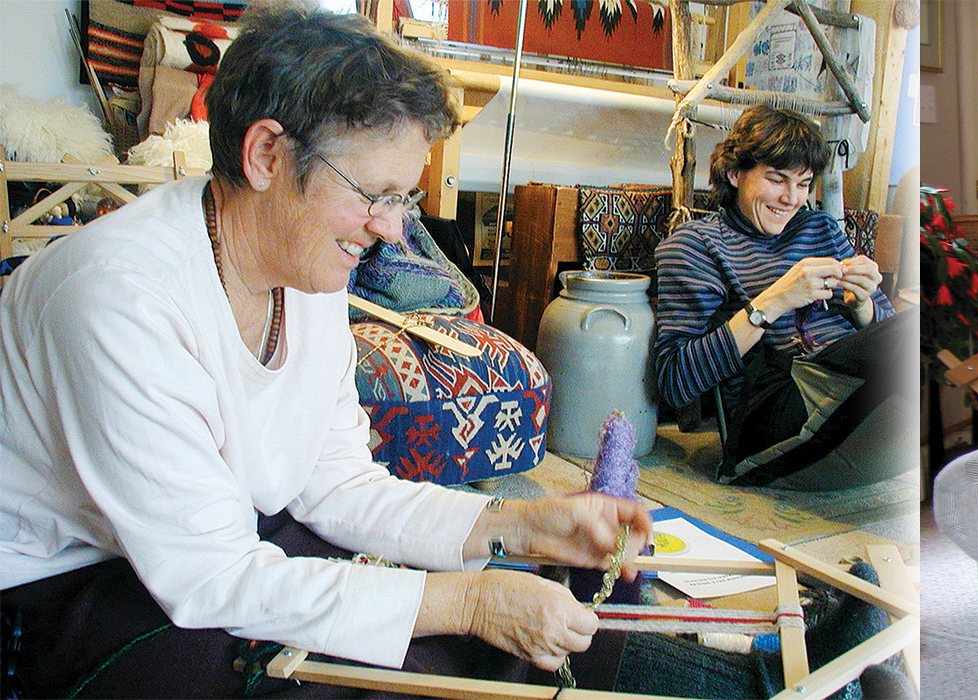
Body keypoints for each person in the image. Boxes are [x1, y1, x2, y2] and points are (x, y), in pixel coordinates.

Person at [0, 7, 892, 698]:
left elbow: (338, 485)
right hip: (64, 591)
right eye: (377, 196)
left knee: (468, 577)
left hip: (212, 534)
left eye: (404, 199)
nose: (395, 233)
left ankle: (756, 680)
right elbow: (208, 579)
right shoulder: (118, 295)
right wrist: (464, 601)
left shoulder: (300, 273)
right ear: (268, 152)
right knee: (322, 654)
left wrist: (517, 524)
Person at [654, 104, 911, 489]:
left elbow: (886, 333)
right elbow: (674, 381)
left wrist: (864, 305)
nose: (792, 198)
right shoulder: (697, 246)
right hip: (771, 421)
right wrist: (773, 301)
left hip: (848, 397)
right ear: (735, 173)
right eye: (777, 179)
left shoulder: (819, 228)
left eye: (804, 184)